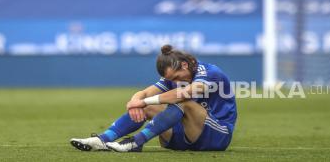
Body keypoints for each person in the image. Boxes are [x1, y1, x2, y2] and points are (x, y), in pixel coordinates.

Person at [70, 44, 237, 152]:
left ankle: (135, 142)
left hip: (217, 136)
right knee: (148, 105)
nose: (177, 82)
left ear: (185, 65)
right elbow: (143, 94)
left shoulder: (209, 72)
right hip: (183, 139)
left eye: (178, 76)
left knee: (183, 101)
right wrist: (135, 104)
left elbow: (187, 93)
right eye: (172, 80)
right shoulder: (173, 78)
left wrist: (143, 101)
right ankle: (103, 140)